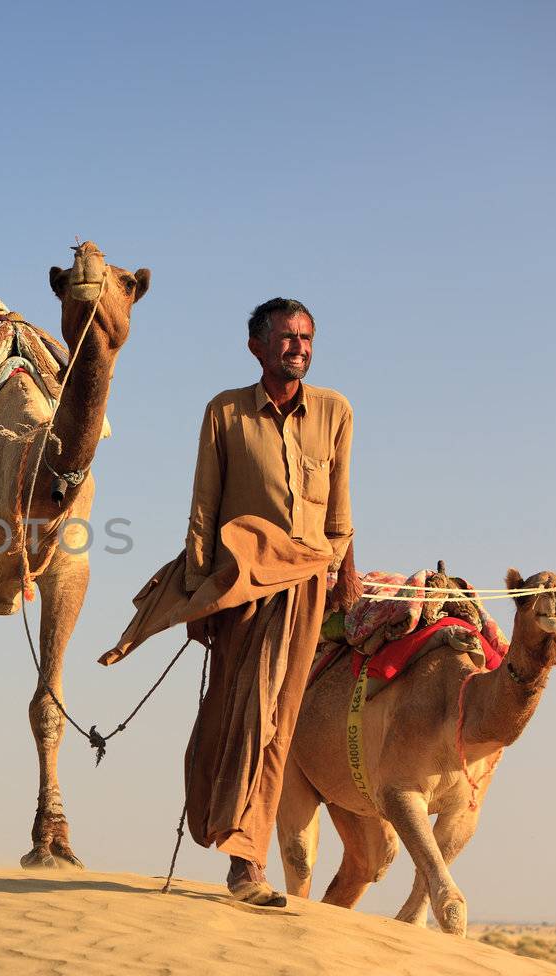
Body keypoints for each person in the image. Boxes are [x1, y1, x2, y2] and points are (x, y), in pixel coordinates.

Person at [181, 297, 360, 905]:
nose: (298, 347)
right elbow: (205, 508)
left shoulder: (335, 412)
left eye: (306, 337)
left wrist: (346, 573)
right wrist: (195, 596)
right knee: (238, 710)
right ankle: (233, 845)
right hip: (240, 583)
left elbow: (341, 509)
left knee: (277, 720)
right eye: (286, 337)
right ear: (256, 347)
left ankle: (246, 862)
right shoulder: (225, 413)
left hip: (308, 583)